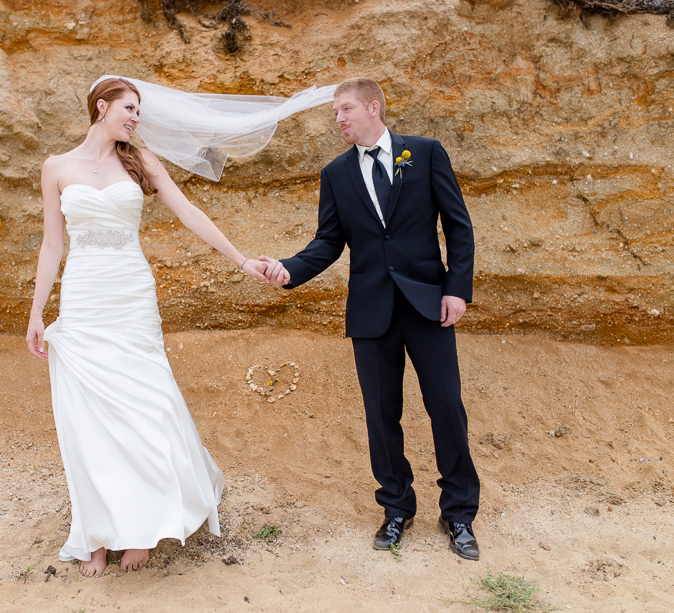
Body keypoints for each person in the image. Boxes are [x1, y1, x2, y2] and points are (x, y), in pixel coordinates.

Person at [25, 77, 273, 577]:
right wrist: (36, 312)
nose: (136, 118)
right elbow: (53, 245)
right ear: (102, 107)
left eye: (138, 110)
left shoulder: (141, 162)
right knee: (88, 412)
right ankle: (97, 532)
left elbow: (189, 213)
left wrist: (241, 259)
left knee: (146, 400)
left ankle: (143, 524)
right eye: (130, 108)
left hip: (131, 293)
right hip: (85, 294)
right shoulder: (56, 167)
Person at [260, 77, 481, 560]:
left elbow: (457, 224)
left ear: (373, 108)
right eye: (335, 113)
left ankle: (459, 513)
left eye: (345, 110)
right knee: (382, 417)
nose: (338, 119)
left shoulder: (423, 154)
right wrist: (288, 269)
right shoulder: (335, 173)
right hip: (371, 311)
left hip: (429, 305)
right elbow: (328, 242)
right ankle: (396, 507)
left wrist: (456, 290)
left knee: (446, 407)